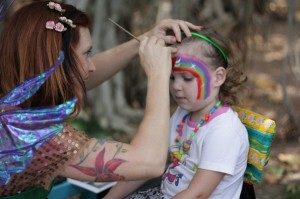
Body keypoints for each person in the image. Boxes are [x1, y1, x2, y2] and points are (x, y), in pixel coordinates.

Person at [0, 1, 201, 198]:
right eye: (86, 54)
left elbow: (79, 74)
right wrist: (158, 73)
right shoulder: (33, 136)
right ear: (57, 63)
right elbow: (149, 162)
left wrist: (142, 40)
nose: (92, 66)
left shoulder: (12, 94)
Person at [103, 28, 249, 199]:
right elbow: (149, 164)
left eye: (187, 78)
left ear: (218, 77)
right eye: (172, 77)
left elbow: (198, 194)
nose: (176, 86)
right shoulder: (183, 113)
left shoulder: (224, 130)